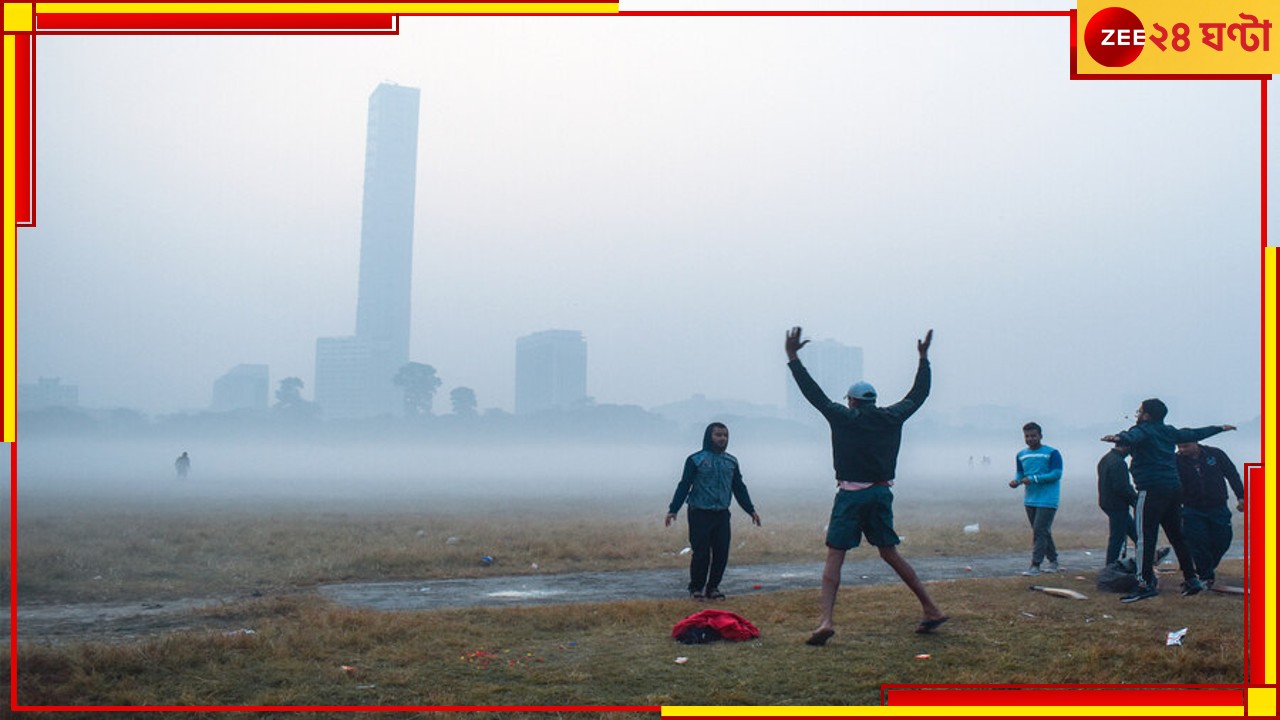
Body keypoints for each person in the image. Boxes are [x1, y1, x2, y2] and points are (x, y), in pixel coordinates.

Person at [785, 326, 947, 645]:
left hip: (850, 495)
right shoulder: (892, 417)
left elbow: (813, 393)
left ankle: (825, 621)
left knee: (836, 556)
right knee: (890, 552)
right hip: (881, 493)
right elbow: (918, 395)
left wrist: (792, 357)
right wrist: (923, 359)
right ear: (872, 401)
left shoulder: (842, 416)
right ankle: (930, 608)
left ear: (851, 401)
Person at [1101, 398, 1235, 602]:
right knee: (1178, 536)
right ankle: (1192, 580)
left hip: (1151, 490)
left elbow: (1132, 436)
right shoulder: (1169, 431)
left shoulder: (1143, 429)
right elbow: (1194, 433)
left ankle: (1145, 585)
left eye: (1139, 412)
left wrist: (1118, 437)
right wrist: (1219, 428)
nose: (1137, 415)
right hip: (1174, 489)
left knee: (1145, 539)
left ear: (1146, 415)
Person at [665, 422, 761, 601]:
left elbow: (738, 487)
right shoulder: (696, 460)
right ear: (709, 436)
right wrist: (673, 509)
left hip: (722, 514)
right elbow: (685, 485)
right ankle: (696, 588)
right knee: (701, 553)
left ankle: (713, 587)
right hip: (699, 512)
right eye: (718, 435)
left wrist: (750, 510)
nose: (722, 438)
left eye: (725, 435)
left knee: (721, 552)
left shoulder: (731, 461)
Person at [1176, 441, 1245, 590]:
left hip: (1218, 506)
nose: (1182, 450)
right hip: (1191, 508)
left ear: (1195, 443)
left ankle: (1206, 567)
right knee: (1198, 542)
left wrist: (1241, 496)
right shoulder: (1176, 460)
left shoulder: (1215, 454)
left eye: (1185, 446)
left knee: (1223, 540)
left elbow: (1232, 474)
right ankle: (1205, 576)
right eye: (1179, 447)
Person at [1009, 422, 1063, 576]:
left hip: (1048, 499)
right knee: (1042, 531)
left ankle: (1035, 565)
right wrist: (1016, 481)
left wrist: (1035, 479)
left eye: (1033, 436)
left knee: (1039, 531)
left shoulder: (1052, 453)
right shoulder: (1021, 455)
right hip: (1030, 499)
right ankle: (1053, 561)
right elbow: (1020, 473)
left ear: (1040, 436)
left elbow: (1056, 474)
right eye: (1027, 436)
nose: (1030, 439)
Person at [1097, 444, 1138, 567]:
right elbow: (1121, 487)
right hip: (1117, 504)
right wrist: (1135, 500)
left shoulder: (1106, 459)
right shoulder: (1119, 463)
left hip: (1108, 502)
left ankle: (1151, 556)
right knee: (1117, 537)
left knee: (1134, 532)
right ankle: (1110, 566)